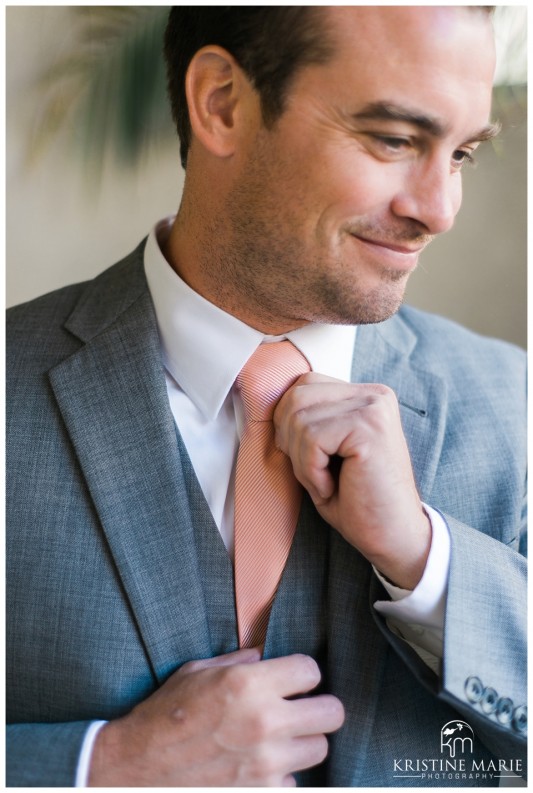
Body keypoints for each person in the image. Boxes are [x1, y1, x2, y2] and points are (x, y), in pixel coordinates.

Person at [6, 6, 526, 788]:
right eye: (393, 139)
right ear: (221, 102)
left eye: (461, 153)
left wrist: (427, 562)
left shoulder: (514, 401)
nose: (438, 209)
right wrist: (102, 766)